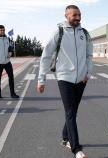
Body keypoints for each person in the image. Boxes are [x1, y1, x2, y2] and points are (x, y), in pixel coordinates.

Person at [37, 5, 93, 158]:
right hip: (64, 78)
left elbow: (89, 55)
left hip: (81, 79)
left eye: (79, 15)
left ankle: (65, 137)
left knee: (73, 112)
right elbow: (46, 55)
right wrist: (41, 79)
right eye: (74, 15)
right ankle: (76, 149)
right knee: (70, 112)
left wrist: (88, 72)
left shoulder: (85, 33)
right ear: (66, 16)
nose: (78, 17)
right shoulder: (59, 32)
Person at [0, 25, 19, 99]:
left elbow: (10, 47)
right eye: (1, 30)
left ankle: (12, 94)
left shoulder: (7, 39)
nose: (2, 32)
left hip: (7, 62)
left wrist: (10, 52)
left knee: (11, 77)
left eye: (3, 30)